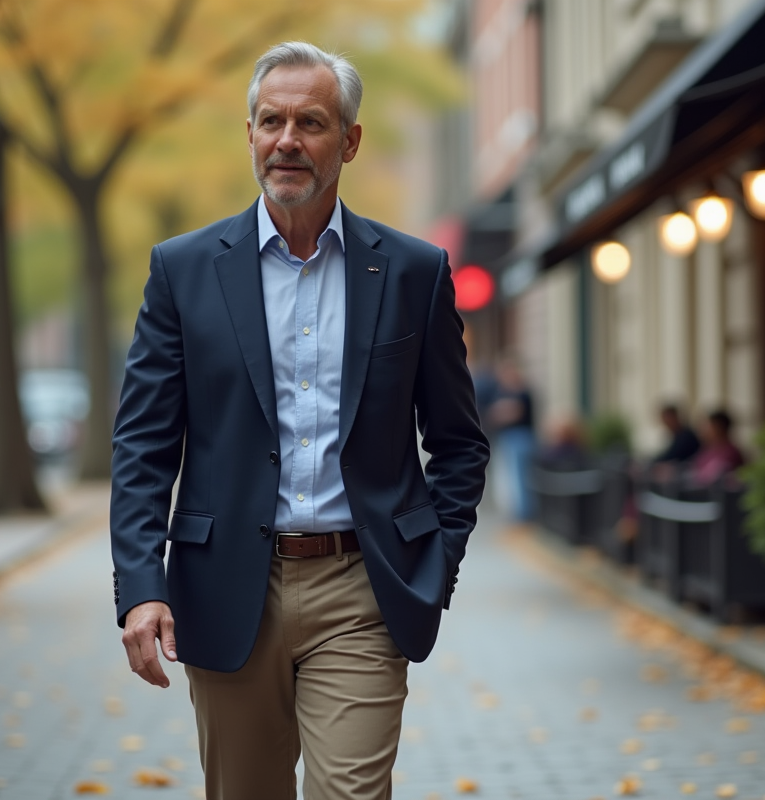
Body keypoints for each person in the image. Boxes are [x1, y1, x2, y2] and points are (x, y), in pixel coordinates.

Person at [109, 42, 489, 800]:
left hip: (365, 585)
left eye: (311, 122)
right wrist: (141, 586)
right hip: (224, 587)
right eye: (271, 121)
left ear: (349, 140)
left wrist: (433, 567)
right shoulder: (183, 271)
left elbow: (457, 441)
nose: (288, 140)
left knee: (349, 792)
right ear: (249, 133)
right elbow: (144, 445)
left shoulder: (414, 272)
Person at [486, 358, 535, 520]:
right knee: (511, 476)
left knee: (521, 476)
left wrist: (502, 411)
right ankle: (518, 511)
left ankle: (524, 513)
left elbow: (513, 412)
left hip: (521, 438)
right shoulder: (502, 391)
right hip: (507, 438)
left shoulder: (521, 391)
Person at [692, 409, 746, 486]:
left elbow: (710, 478)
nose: (703, 430)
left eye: (708, 426)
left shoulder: (730, 453)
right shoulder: (707, 449)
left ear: (718, 428)